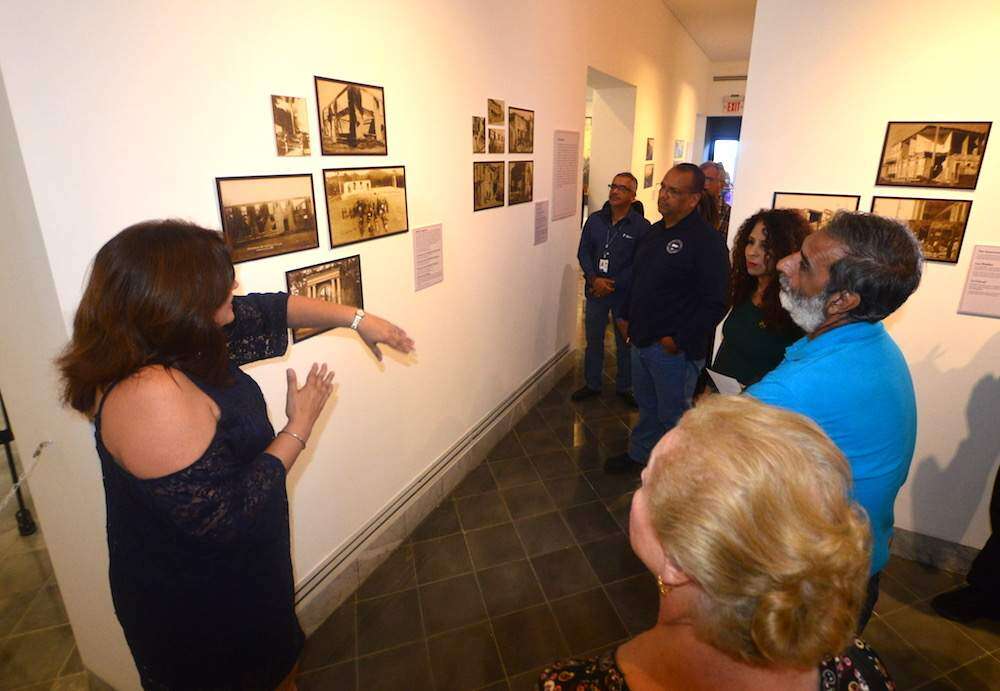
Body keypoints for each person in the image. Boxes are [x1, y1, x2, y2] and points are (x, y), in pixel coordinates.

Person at [57, 220, 414, 691]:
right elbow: (227, 515)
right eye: (222, 286)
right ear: (175, 305)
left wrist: (360, 320)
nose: (235, 291)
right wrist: (299, 426)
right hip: (201, 610)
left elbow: (272, 310)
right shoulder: (149, 394)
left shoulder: (181, 339)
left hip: (242, 579)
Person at [538, 395, 893, 690]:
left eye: (646, 483)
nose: (638, 487)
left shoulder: (571, 684)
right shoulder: (860, 665)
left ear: (676, 563)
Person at [746, 211, 923, 630]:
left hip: (814, 587)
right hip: (856, 566)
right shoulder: (875, 343)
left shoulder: (796, 386)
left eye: (804, 263)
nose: (784, 263)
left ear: (842, 301)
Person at [604, 164, 729, 474]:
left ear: (693, 199)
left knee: (674, 416)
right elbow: (638, 279)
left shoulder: (707, 243)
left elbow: (717, 301)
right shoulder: (653, 233)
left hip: (673, 350)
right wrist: (625, 315)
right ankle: (641, 455)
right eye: (663, 188)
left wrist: (677, 340)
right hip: (642, 340)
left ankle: (671, 475)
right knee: (648, 408)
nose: (664, 196)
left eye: (674, 191)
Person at [573, 172, 650, 406]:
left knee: (624, 343)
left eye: (623, 188)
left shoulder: (641, 227)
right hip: (596, 292)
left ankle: (625, 387)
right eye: (613, 186)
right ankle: (592, 383)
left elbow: (640, 263)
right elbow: (583, 252)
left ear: (633, 195)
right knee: (593, 340)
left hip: (623, 296)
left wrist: (612, 284)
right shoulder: (595, 220)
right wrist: (594, 279)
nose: (615, 191)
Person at [712, 209, 809, 387]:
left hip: (758, 407)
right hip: (720, 400)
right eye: (750, 242)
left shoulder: (795, 306)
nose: (752, 252)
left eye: (764, 246)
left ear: (786, 250)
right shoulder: (746, 290)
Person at [699, 161, 731, 234]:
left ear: (721, 184)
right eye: (700, 179)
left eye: (708, 179)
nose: (704, 184)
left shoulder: (725, 210)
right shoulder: (691, 202)